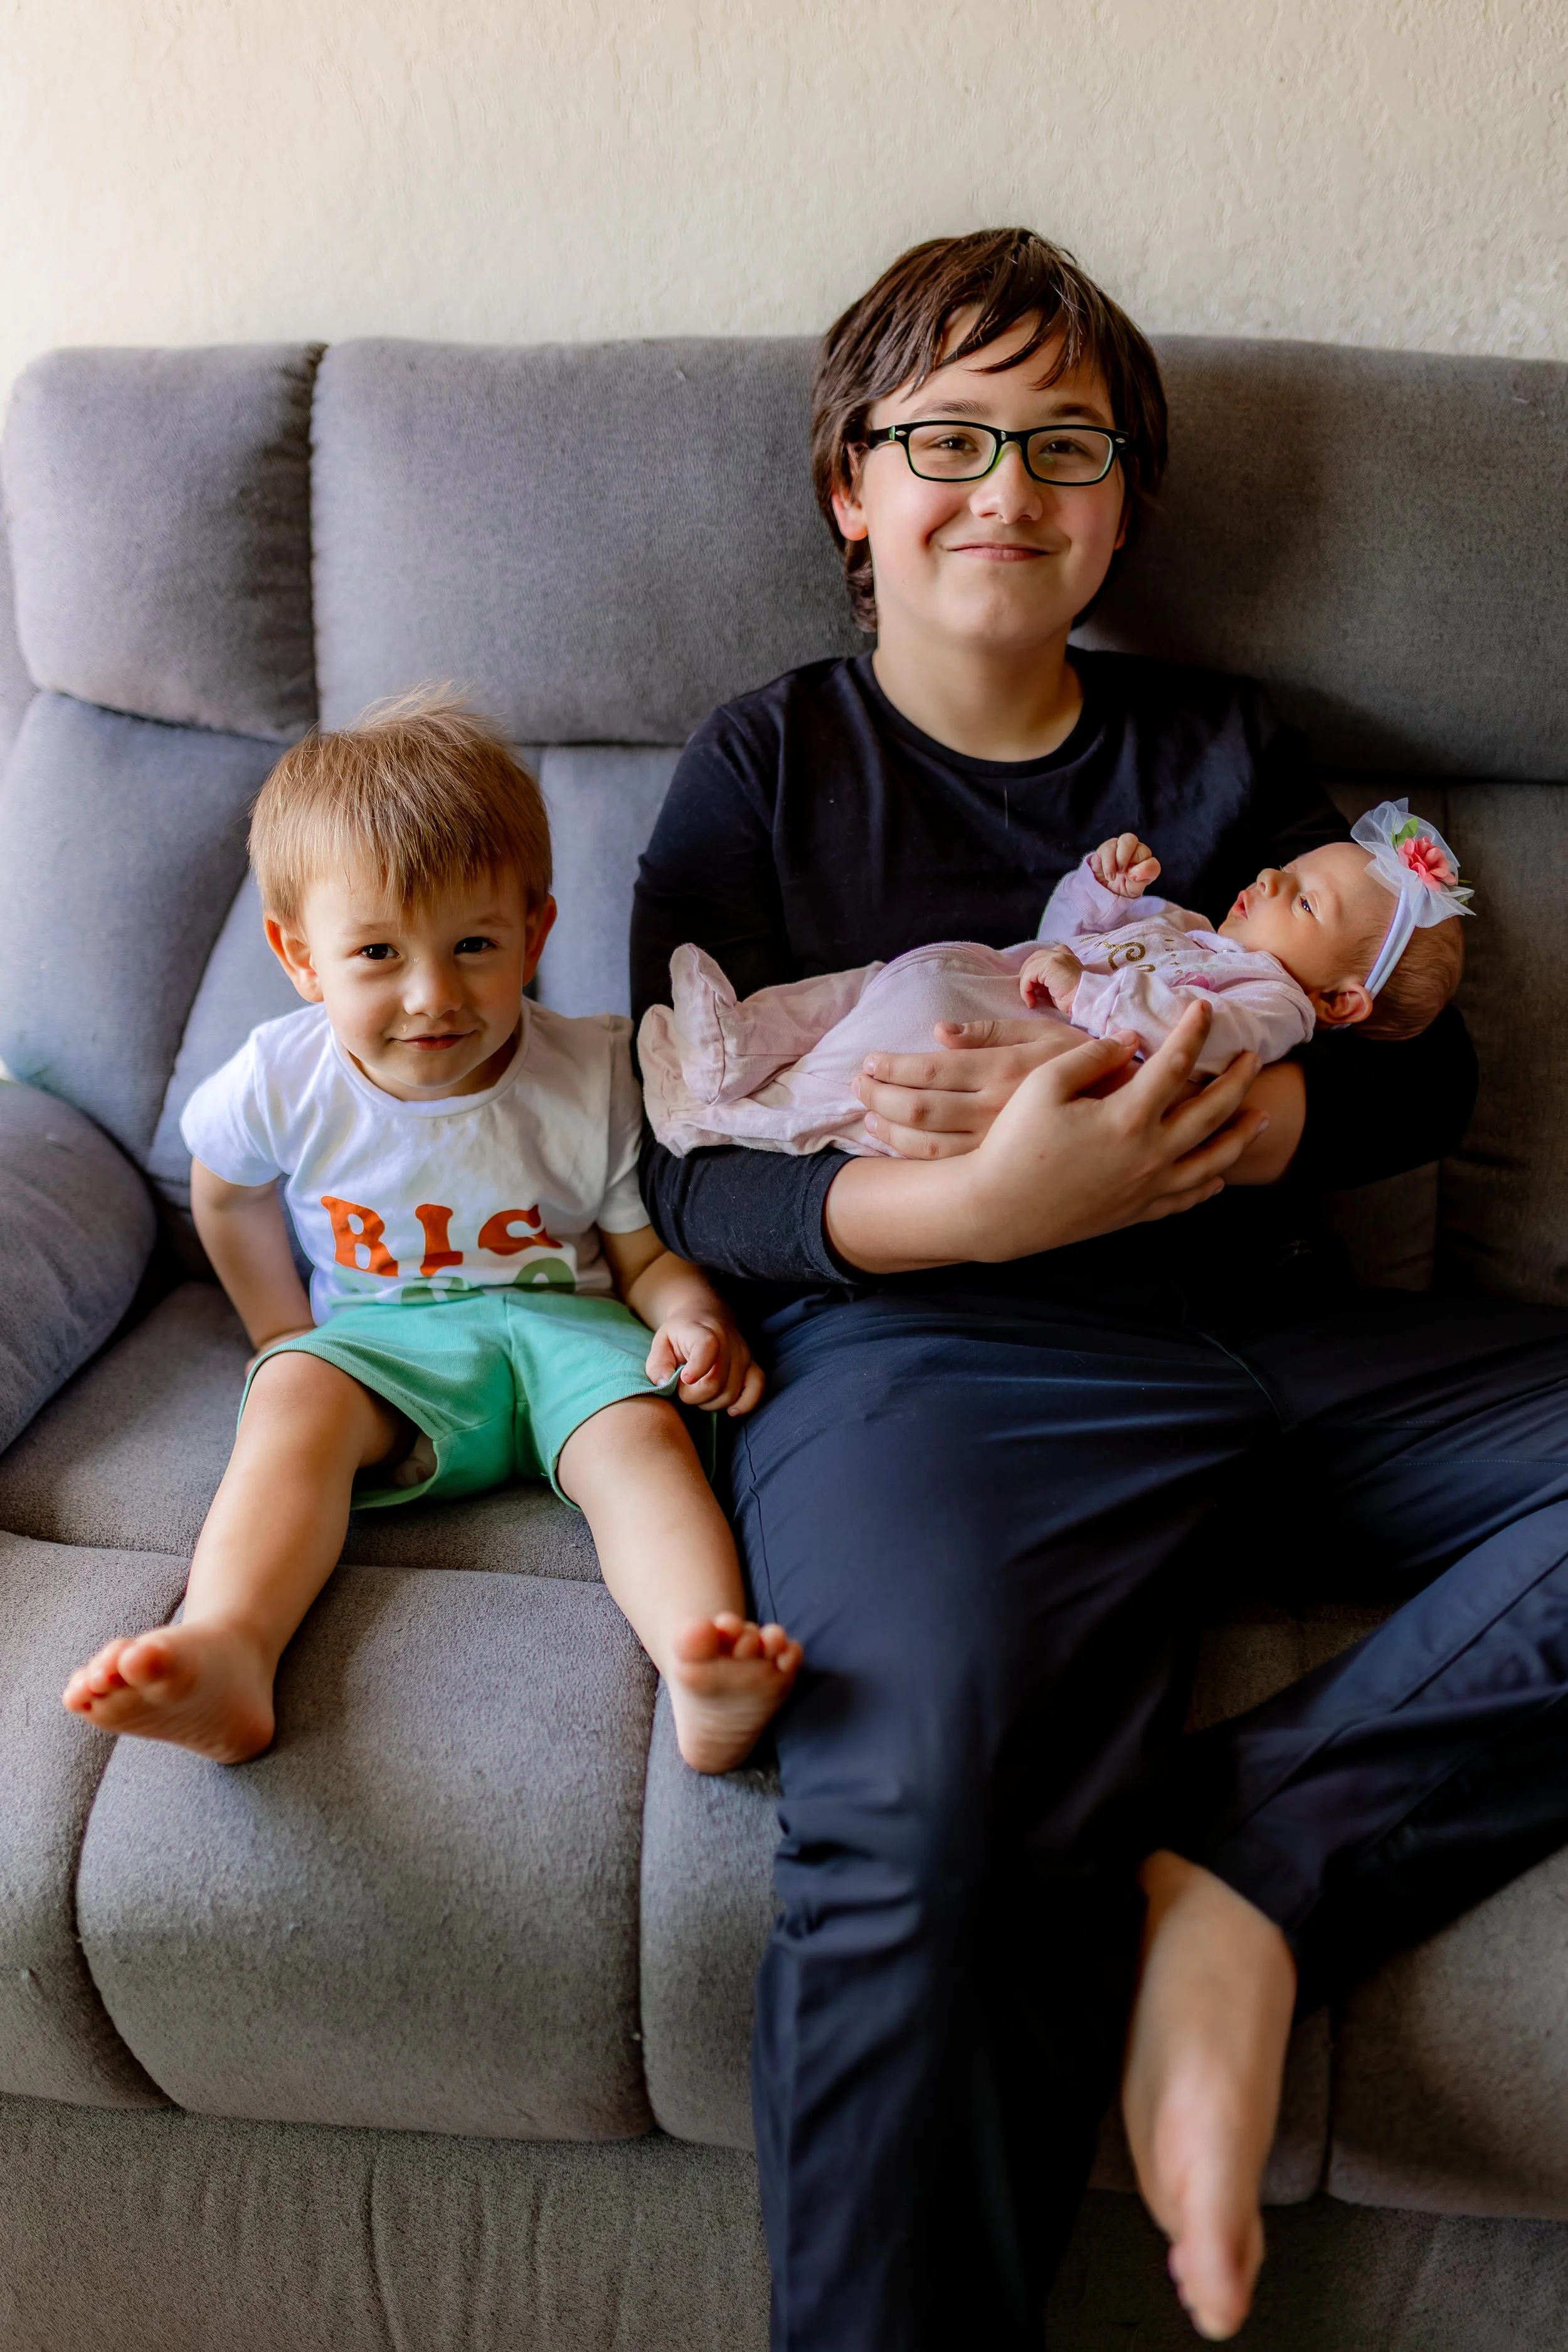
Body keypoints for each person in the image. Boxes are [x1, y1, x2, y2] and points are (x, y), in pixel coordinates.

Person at [630, 227, 1568, 2348]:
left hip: (1283, 1334)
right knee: (927, 1820)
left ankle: (1249, 1871)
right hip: (937, 1360)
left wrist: (1284, 1132)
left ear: (1127, 499)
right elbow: (683, 1160)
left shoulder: (1223, 748)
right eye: (948, 435)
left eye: (1069, 441)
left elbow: (1428, 1070)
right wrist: (973, 1216)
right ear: (849, 490)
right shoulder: (764, 765)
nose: (1011, 485)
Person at [61, 696, 800, 1777]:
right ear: (300, 957)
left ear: (535, 934)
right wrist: (279, 1332)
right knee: (291, 1404)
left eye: (473, 944)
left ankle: (702, 1660)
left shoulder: (592, 1069)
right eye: (375, 953)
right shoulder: (282, 1077)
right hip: (385, 1345)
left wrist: (691, 1315)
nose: (431, 995)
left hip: (568, 1330)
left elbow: (640, 1251)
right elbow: (223, 1193)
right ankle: (229, 1645)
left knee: (643, 1440)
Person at [637, 810, 1470, 1160]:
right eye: (1288, 867)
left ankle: (727, 1110)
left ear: (1341, 1001)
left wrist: (1083, 993)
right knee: (861, 988)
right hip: (983, 974)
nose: (1270, 877)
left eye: (1306, 899)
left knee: (854, 1071)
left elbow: (1185, 1036)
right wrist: (1102, 893)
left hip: (998, 1028)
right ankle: (736, 1041)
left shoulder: (1270, 1007)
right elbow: (1063, 939)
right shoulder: (1191, 929)